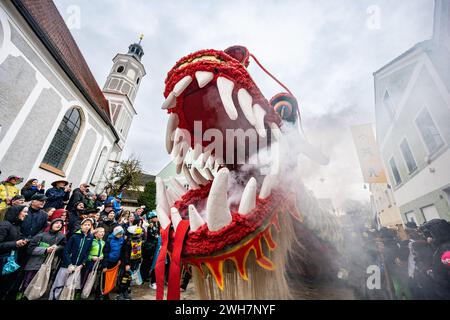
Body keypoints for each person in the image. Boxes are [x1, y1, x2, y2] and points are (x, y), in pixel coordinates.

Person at [49, 218, 94, 300]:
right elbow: (66, 251)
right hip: (66, 265)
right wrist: (69, 264)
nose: (87, 226)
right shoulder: (74, 236)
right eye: (85, 225)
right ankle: (53, 298)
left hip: (78, 266)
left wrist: (82, 264)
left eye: (89, 225)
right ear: (81, 226)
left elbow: (87, 252)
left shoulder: (90, 237)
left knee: (69, 287)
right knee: (59, 284)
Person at [19, 218, 66, 295]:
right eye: (57, 223)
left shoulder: (62, 237)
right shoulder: (41, 235)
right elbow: (30, 249)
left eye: (61, 224)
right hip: (34, 264)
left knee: (38, 286)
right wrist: (45, 250)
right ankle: (22, 295)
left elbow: (63, 246)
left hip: (47, 265)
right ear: (52, 224)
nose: (59, 225)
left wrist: (57, 248)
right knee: (27, 283)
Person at [0, 205, 29, 300]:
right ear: (16, 213)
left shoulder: (15, 226)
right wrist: (15, 243)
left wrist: (22, 241)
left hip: (8, 259)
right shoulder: (5, 225)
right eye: (24, 212)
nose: (26, 214)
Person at [419, 219, 450, 299]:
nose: (428, 238)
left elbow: (445, 276)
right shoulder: (442, 246)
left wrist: (432, 275)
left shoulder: (445, 249)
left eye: (430, 234)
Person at [116, 225, 143, 300]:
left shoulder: (138, 240)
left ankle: (125, 292)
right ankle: (120, 293)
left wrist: (139, 260)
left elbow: (139, 250)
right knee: (123, 278)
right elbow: (125, 254)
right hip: (127, 263)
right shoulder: (128, 241)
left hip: (135, 262)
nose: (139, 235)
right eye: (137, 234)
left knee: (129, 278)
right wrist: (127, 264)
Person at [101, 226, 126, 300]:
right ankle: (104, 293)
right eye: (119, 234)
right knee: (105, 279)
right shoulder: (109, 239)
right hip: (108, 262)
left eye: (122, 234)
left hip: (116, 262)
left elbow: (121, 250)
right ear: (115, 233)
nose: (121, 235)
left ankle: (109, 290)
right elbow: (105, 253)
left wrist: (120, 259)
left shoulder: (121, 239)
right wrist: (104, 266)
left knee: (112, 278)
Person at [82, 227, 105, 299]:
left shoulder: (103, 242)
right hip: (90, 263)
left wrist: (102, 256)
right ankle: (81, 293)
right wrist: (91, 257)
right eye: (100, 232)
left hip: (98, 263)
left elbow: (102, 252)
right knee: (85, 278)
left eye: (103, 232)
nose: (102, 233)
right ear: (95, 234)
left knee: (93, 278)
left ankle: (89, 291)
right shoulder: (91, 241)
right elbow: (85, 252)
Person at [141, 212, 159, 284]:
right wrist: (157, 236)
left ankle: (145, 276)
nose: (156, 218)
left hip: (153, 246)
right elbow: (152, 235)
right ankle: (142, 277)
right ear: (151, 218)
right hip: (148, 247)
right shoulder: (149, 225)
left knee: (149, 263)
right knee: (146, 262)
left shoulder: (155, 225)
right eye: (155, 217)